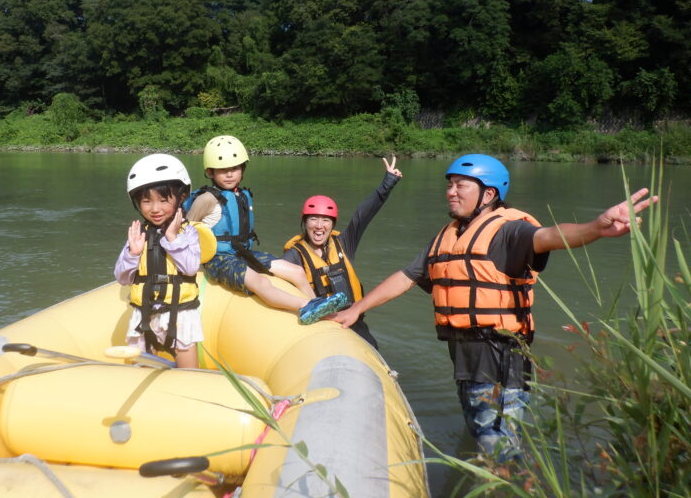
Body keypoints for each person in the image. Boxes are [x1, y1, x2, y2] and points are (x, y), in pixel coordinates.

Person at [331, 153, 658, 462]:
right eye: (449, 184)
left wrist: (596, 228)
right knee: (479, 431)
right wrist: (356, 309)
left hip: (501, 358)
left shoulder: (509, 231)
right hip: (465, 359)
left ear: (488, 195)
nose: (451, 192)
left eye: (461, 186)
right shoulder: (447, 236)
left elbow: (549, 237)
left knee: (497, 447)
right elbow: (406, 276)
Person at [185, 135, 347, 324]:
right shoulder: (206, 199)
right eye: (223, 170)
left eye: (235, 168)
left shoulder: (242, 194)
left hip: (242, 253)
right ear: (210, 172)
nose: (230, 174)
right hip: (218, 260)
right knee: (261, 283)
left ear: (242, 169)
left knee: (297, 272)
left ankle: (317, 306)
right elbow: (186, 231)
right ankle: (306, 305)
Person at [281, 156, 403, 348]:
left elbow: (362, 216)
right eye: (313, 219)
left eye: (326, 220)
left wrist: (387, 183)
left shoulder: (344, 243)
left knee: (374, 351)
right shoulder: (294, 255)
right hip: (319, 325)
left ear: (333, 224)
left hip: (353, 319)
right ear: (304, 222)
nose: (319, 226)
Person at [114, 154, 215, 369]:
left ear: (181, 197)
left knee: (189, 374)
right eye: (146, 201)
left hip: (180, 314)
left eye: (163, 200)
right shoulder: (139, 233)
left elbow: (189, 267)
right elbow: (122, 278)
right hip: (144, 315)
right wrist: (132, 254)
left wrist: (172, 238)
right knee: (139, 371)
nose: (155, 208)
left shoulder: (188, 233)